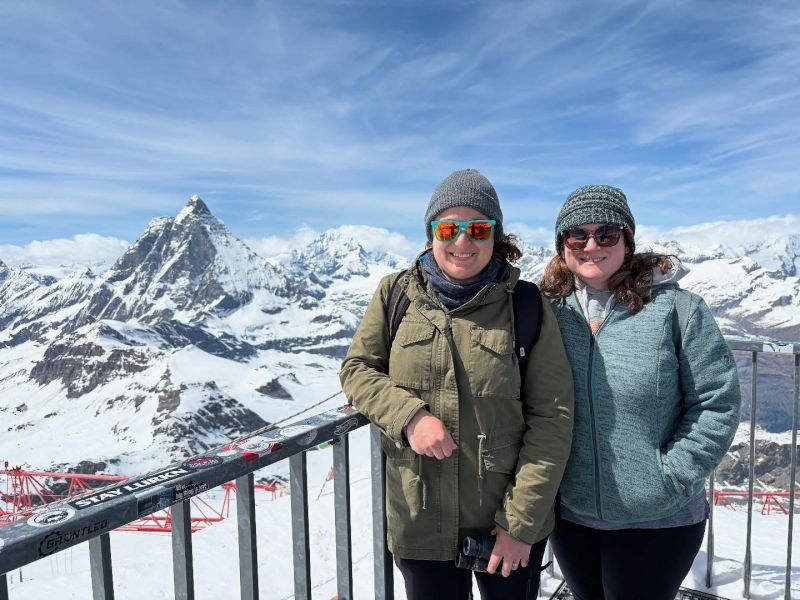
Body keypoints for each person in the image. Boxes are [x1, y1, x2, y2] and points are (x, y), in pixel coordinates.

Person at [340, 169, 574, 600]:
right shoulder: (395, 294)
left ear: (495, 235)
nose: (462, 241)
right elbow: (358, 368)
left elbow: (552, 418)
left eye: (478, 229)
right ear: (431, 233)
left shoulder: (525, 305)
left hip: (505, 524)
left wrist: (519, 525)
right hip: (419, 518)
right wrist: (408, 416)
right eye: (448, 228)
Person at [540, 185, 742, 600]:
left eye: (607, 234)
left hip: (658, 519)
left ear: (627, 240)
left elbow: (717, 402)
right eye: (577, 235)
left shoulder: (677, 309)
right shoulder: (548, 311)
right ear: (562, 245)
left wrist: (670, 477)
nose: (591, 245)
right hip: (572, 514)